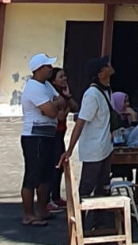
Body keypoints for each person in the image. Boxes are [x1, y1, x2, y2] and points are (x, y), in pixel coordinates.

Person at [59, 56, 116, 201]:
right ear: (101, 73)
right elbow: (80, 122)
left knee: (103, 187)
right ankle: (81, 220)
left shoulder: (107, 91)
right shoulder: (92, 94)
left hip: (105, 147)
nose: (110, 66)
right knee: (87, 187)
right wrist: (70, 149)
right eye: (107, 65)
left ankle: (99, 221)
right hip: (94, 149)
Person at [20, 53, 65, 226]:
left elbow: (60, 101)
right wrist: (53, 107)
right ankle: (29, 214)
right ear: (39, 69)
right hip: (34, 136)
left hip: (48, 135)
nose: (51, 69)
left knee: (47, 174)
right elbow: (54, 111)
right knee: (33, 175)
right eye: (48, 66)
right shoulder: (34, 88)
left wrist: (53, 106)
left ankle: (41, 210)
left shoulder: (46, 85)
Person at [48, 67, 75, 211]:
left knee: (60, 167)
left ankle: (56, 197)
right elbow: (61, 116)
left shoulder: (63, 95)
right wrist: (66, 106)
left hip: (61, 134)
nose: (64, 79)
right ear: (53, 81)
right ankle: (50, 199)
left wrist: (68, 97)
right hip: (53, 134)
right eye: (61, 77)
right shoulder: (53, 96)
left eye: (65, 76)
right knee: (55, 166)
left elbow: (75, 107)